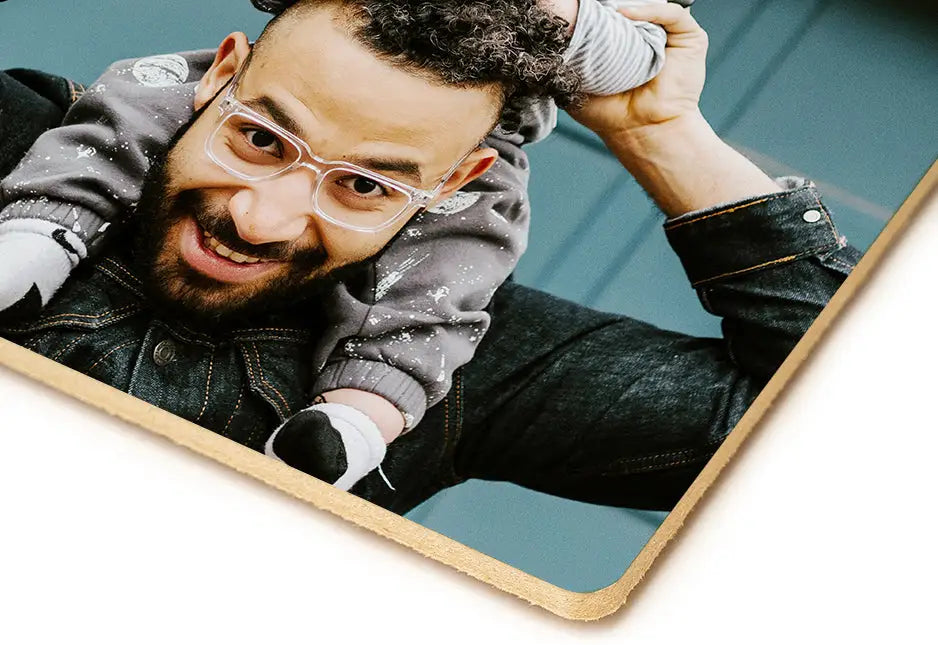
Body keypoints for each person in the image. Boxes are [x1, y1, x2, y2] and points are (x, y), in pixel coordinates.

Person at [0, 1, 859, 517]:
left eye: (366, 186)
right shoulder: (22, 140)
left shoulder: (464, 360)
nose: (262, 221)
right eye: (261, 140)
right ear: (219, 74)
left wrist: (662, 135)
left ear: (459, 182)